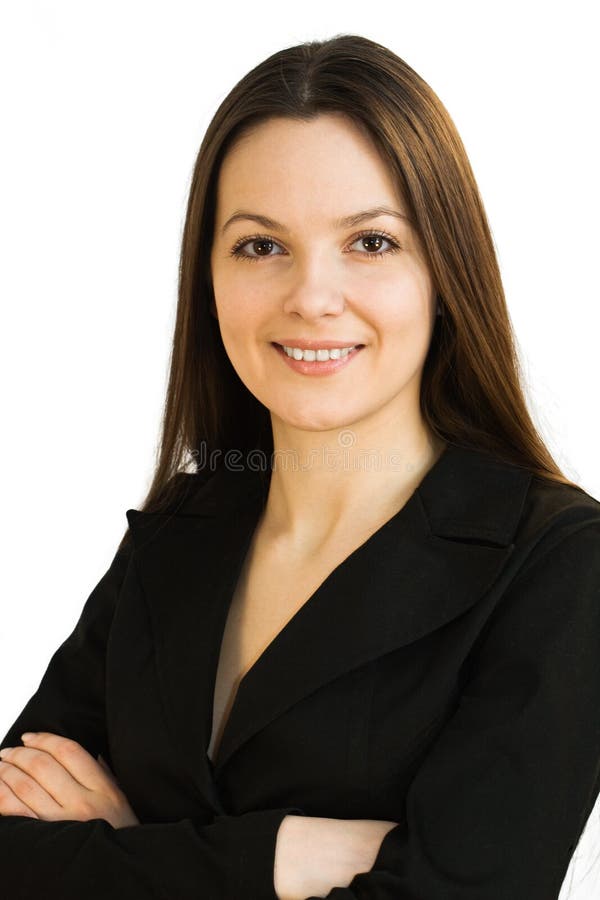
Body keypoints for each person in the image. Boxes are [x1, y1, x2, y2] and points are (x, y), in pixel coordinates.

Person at [1, 32, 599, 900]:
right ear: (207, 276)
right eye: (259, 246)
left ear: (445, 270)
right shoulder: (177, 535)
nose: (313, 296)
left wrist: (131, 849)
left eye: (371, 242)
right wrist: (287, 857)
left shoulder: (561, 566)